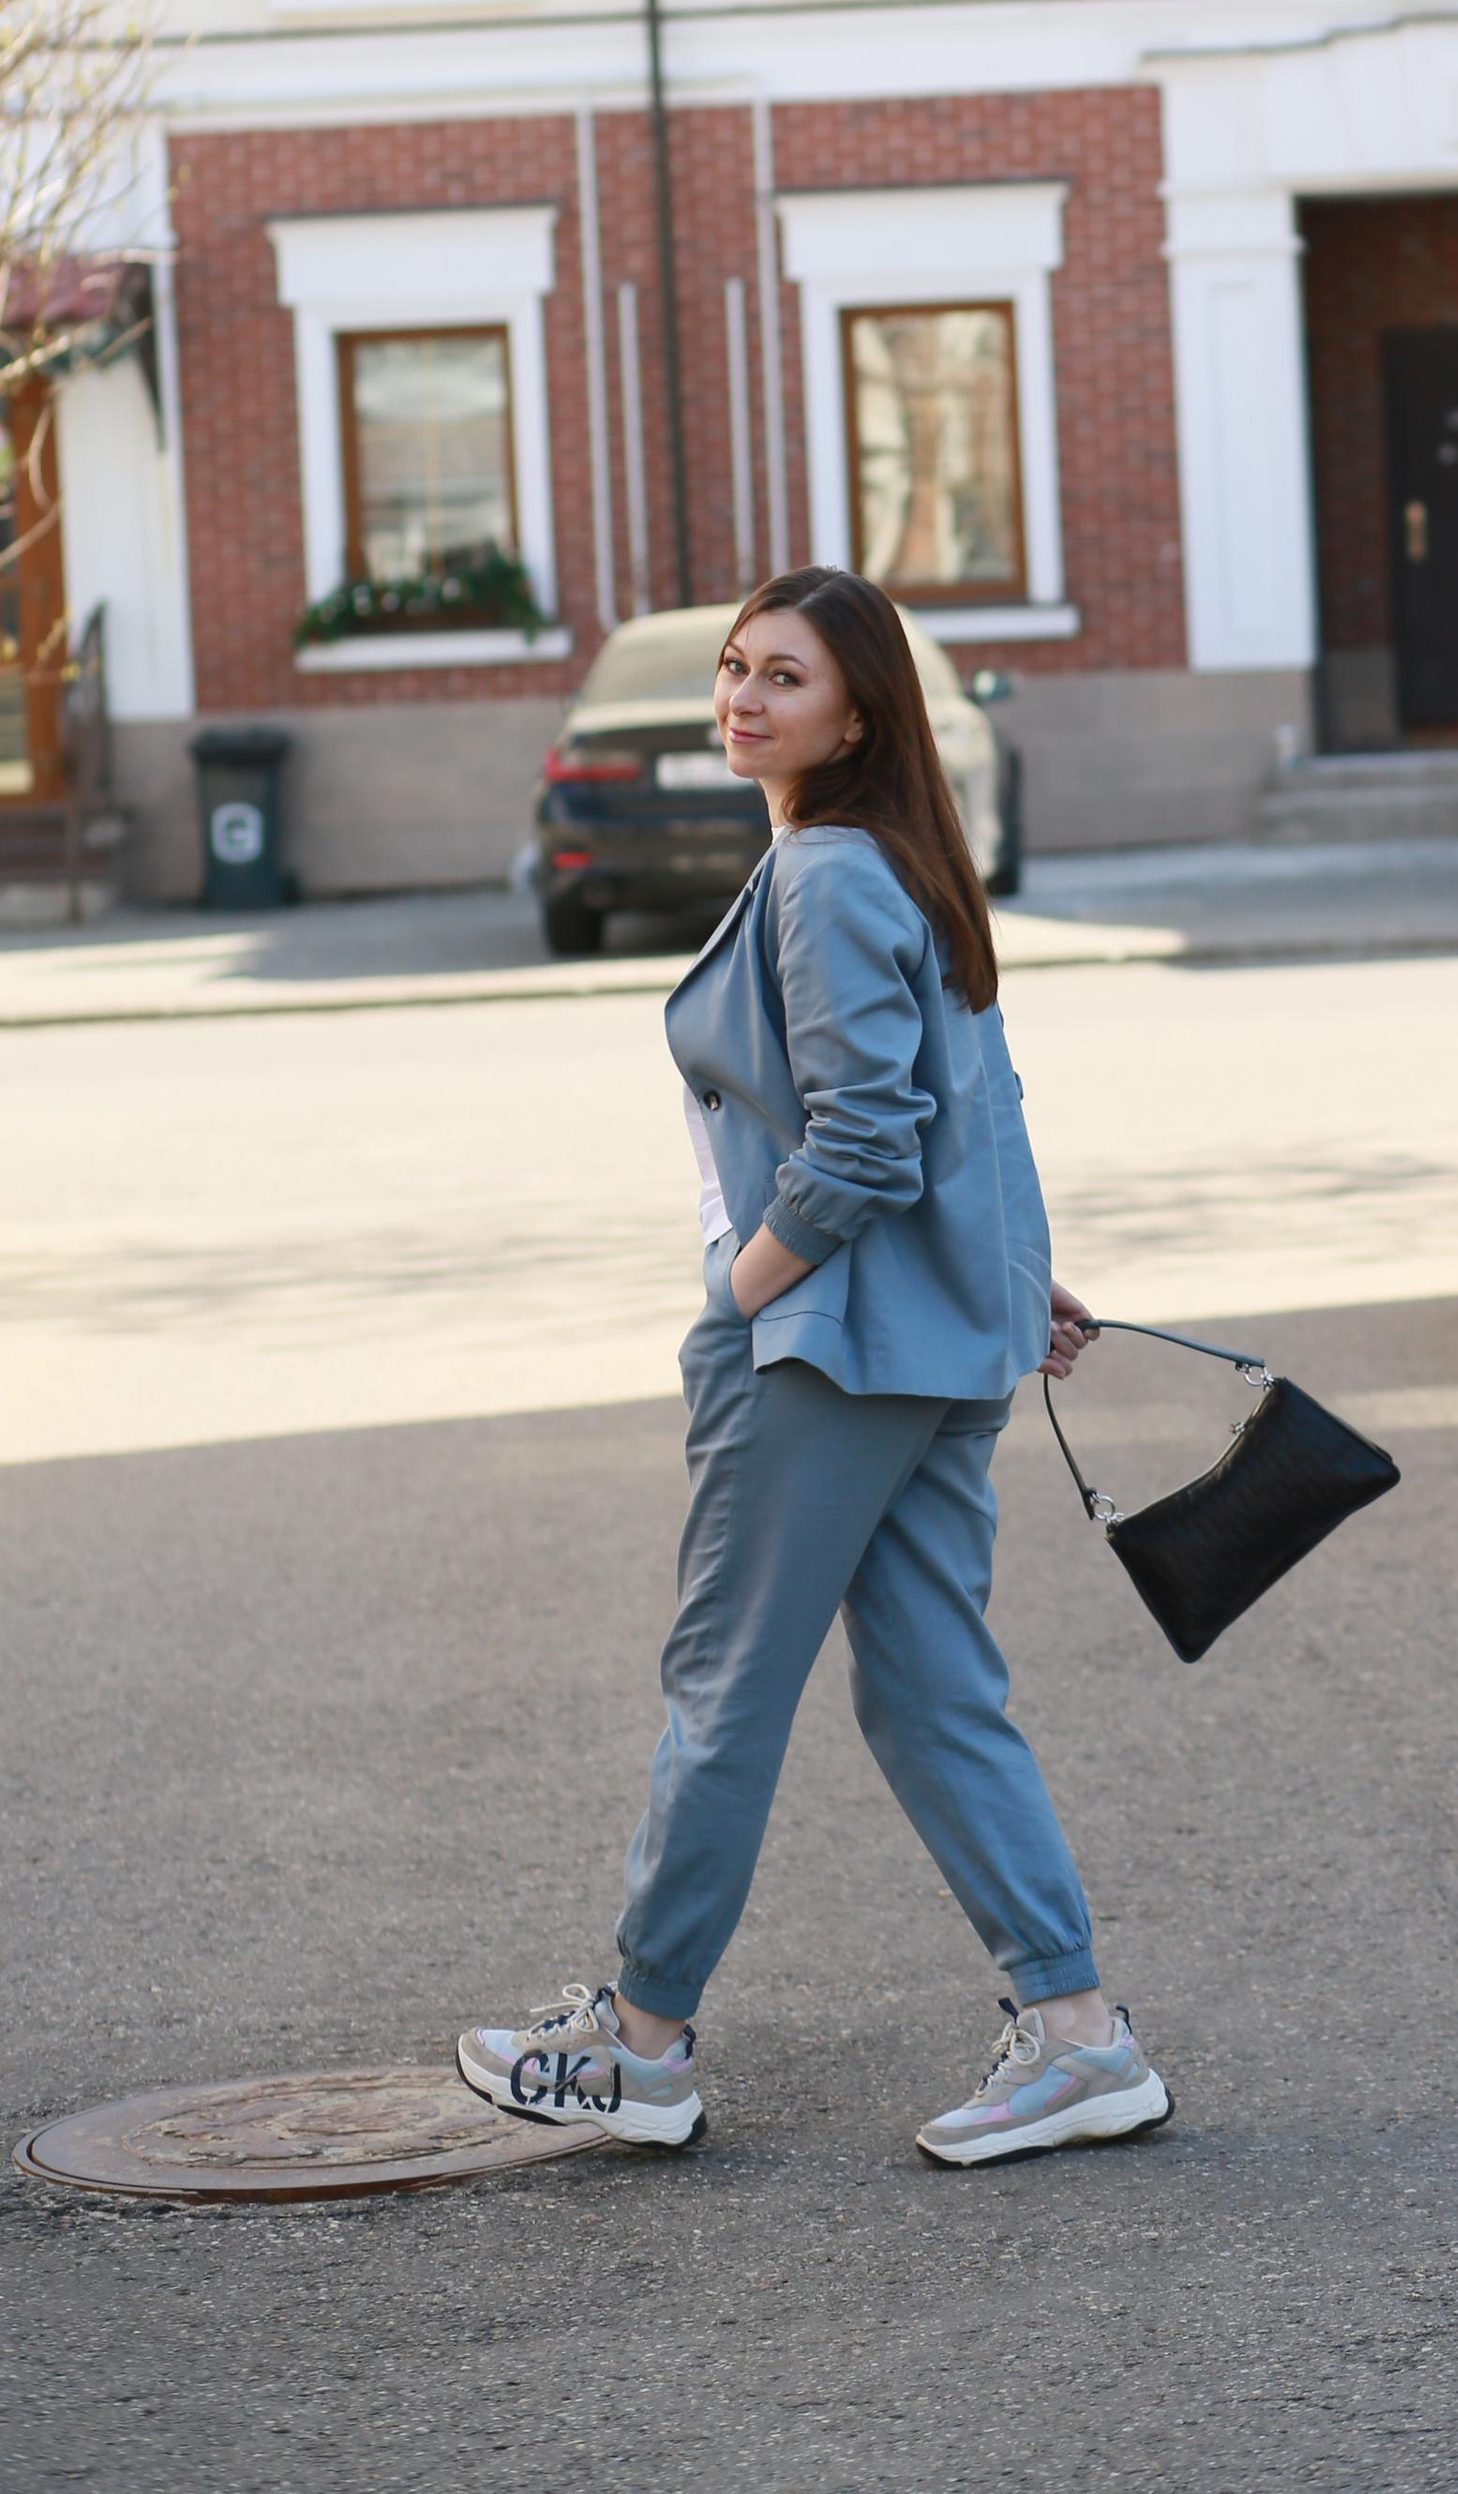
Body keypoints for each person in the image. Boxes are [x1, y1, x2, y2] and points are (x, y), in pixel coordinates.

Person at [458, 566, 1167, 2167]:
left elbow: (866, 1137)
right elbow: (971, 1097)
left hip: (824, 1351)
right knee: (931, 1696)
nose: (743, 698)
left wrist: (736, 1285)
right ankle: (1079, 2038)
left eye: (784, 676)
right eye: (733, 668)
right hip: (922, 1348)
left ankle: (641, 2043)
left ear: (858, 711)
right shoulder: (893, 863)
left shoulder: (828, 875)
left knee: (726, 1689)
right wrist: (1007, 1274)